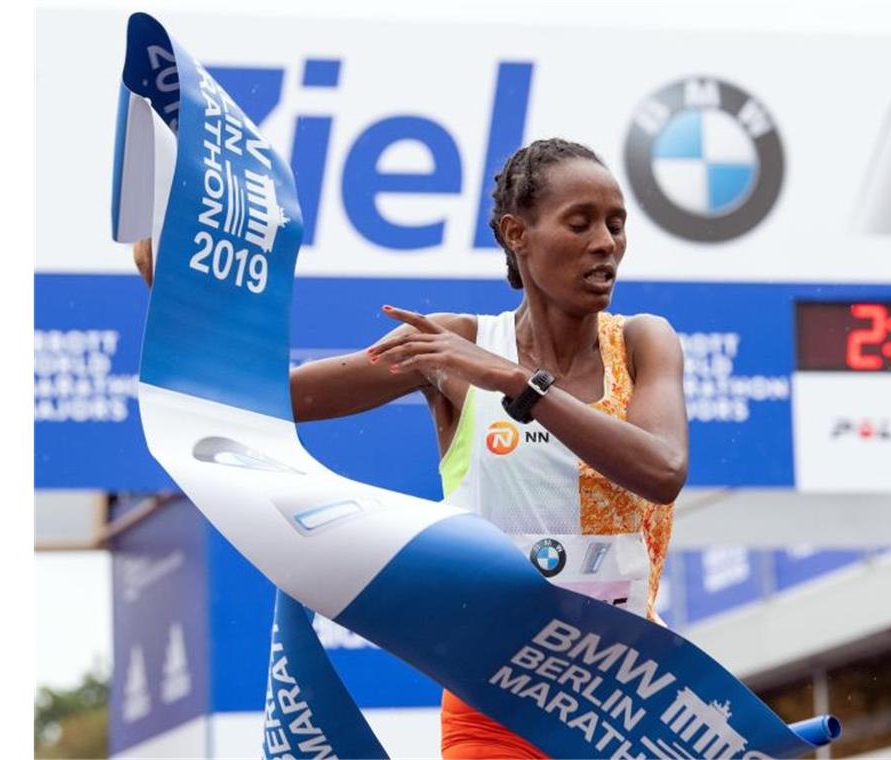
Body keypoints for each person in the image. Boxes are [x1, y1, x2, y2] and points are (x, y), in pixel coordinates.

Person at [131, 138, 688, 758]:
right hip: (499, 693)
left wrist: (513, 381)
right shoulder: (449, 345)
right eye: (579, 223)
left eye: (616, 224)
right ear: (516, 235)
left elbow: (661, 471)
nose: (606, 242)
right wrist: (191, 300)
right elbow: (272, 398)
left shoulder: (643, 342)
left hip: (634, 696)